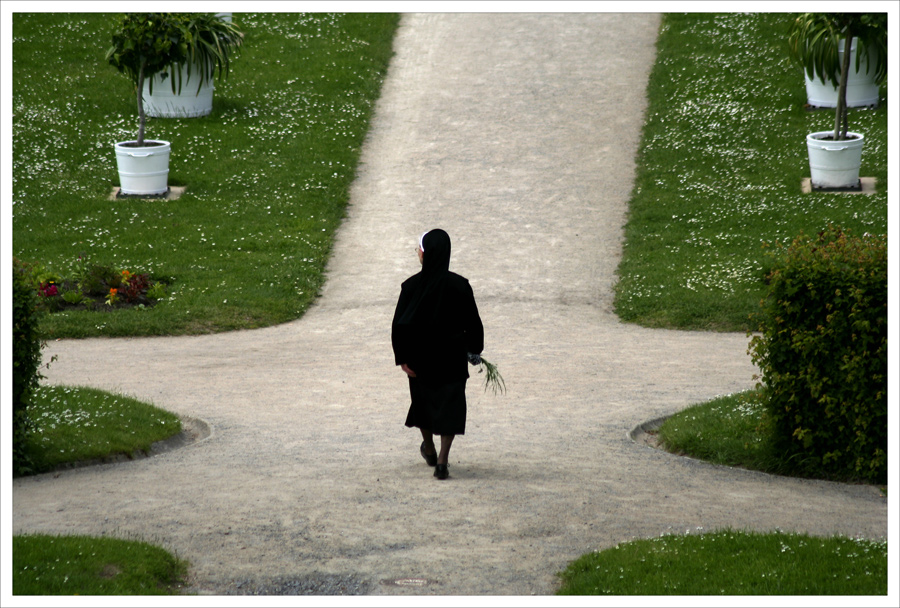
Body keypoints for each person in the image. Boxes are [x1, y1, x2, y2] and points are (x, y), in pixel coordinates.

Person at [391, 229, 484, 480]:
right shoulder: (460, 285)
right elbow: (473, 323)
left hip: (420, 360)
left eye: (419, 249)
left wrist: (402, 357)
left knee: (423, 405)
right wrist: (475, 350)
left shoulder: (411, 287)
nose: (417, 253)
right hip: (452, 359)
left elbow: (399, 325)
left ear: (427, 253)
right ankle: (443, 460)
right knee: (449, 407)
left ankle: (429, 448)